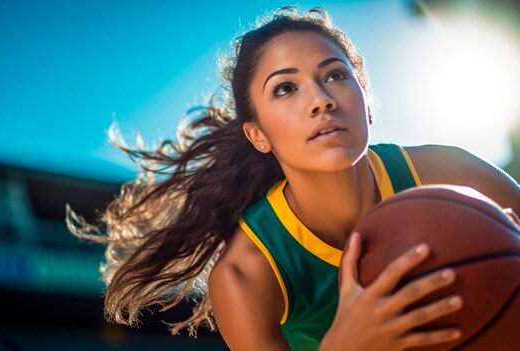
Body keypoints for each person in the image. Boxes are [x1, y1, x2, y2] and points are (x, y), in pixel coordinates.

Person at [66, 7, 520, 351]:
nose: (321, 100)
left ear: (368, 104)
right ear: (258, 135)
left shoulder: (450, 173)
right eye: (286, 88)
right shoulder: (247, 275)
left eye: (336, 75)